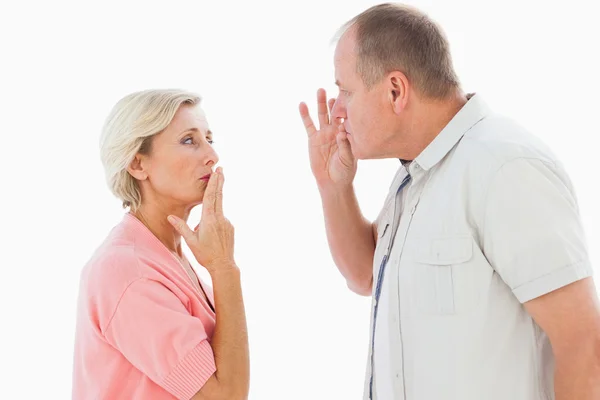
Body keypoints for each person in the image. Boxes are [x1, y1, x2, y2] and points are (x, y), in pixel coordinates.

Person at [299, 3, 600, 399]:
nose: (337, 112)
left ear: (395, 90)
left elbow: (584, 344)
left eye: (345, 91)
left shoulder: (503, 166)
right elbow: (365, 276)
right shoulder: (416, 174)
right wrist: (333, 187)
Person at [72, 89, 249, 400]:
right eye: (189, 140)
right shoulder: (128, 272)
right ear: (138, 165)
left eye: (209, 138)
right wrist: (224, 268)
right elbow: (226, 397)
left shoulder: (169, 255)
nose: (212, 155)